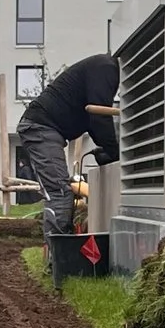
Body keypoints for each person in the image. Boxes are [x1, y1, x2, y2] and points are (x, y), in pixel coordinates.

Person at [16, 54, 118, 235]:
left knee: (60, 191)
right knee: (59, 192)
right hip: (41, 127)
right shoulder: (106, 68)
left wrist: (109, 155)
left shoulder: (100, 70)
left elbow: (94, 122)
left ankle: (58, 245)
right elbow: (99, 118)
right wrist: (117, 154)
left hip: (43, 126)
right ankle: (58, 249)